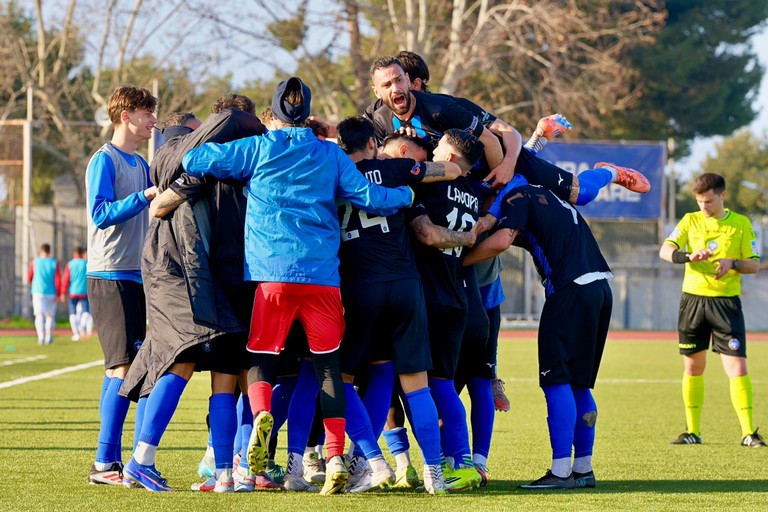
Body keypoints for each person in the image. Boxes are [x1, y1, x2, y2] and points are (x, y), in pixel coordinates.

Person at [181, 76, 415, 495]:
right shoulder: (329, 153)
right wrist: (406, 197)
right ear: (307, 112)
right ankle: (336, 455)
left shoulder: (258, 148)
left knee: (260, 359)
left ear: (274, 112)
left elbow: (195, 160)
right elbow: (369, 196)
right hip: (322, 277)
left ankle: (261, 414)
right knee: (328, 369)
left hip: (271, 275)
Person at [120, 95, 273, 493]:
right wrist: (268, 132)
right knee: (181, 361)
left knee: (223, 374)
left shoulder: (228, 169)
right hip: (182, 278)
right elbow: (223, 126)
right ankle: (140, 460)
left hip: (219, 281)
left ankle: (226, 472)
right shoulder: (179, 151)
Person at [335, 115, 463, 494]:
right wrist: (421, 168)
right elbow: (451, 170)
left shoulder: (334, 176)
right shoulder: (397, 169)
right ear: (372, 144)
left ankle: (371, 461)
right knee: (416, 386)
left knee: (343, 381)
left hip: (359, 288)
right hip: (405, 286)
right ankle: (434, 472)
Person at [465, 173, 613, 490]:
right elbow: (591, 181)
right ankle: (583, 469)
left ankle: (560, 472)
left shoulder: (516, 197)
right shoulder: (551, 196)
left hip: (570, 291)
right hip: (600, 288)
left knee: (556, 380)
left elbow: (501, 241)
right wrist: (611, 172)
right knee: (579, 383)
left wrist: (458, 263)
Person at [85, 85, 158, 486]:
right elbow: (100, 213)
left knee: (121, 366)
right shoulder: (104, 159)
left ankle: (109, 461)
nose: (153, 120)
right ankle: (102, 465)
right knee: (122, 367)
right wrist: (144, 196)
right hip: (109, 273)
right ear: (126, 116)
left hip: (135, 275)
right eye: (147, 113)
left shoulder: (141, 163)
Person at [659, 172, 764, 448]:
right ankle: (692, 432)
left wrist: (733, 263)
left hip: (726, 304)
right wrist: (688, 256)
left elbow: (754, 264)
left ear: (722, 196)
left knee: (737, 366)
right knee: (693, 367)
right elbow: (665, 250)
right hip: (693, 302)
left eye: (708, 201)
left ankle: (749, 433)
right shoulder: (690, 220)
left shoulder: (740, 224)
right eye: (699, 201)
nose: (703, 206)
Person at [29, 243, 60, 345]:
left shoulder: (35, 262)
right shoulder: (54, 263)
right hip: (51, 292)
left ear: (41, 251)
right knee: (50, 316)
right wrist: (58, 293)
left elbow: (30, 277)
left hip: (37, 291)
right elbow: (58, 279)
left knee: (39, 315)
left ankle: (41, 337)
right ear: (49, 251)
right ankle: (48, 337)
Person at [60, 246, 91, 341]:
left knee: (72, 313)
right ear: (82, 253)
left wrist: (63, 292)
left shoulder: (70, 264)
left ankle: (76, 333)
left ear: (74, 253)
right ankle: (82, 326)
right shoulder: (86, 263)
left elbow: (66, 279)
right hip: (84, 292)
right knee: (86, 312)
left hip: (73, 292)